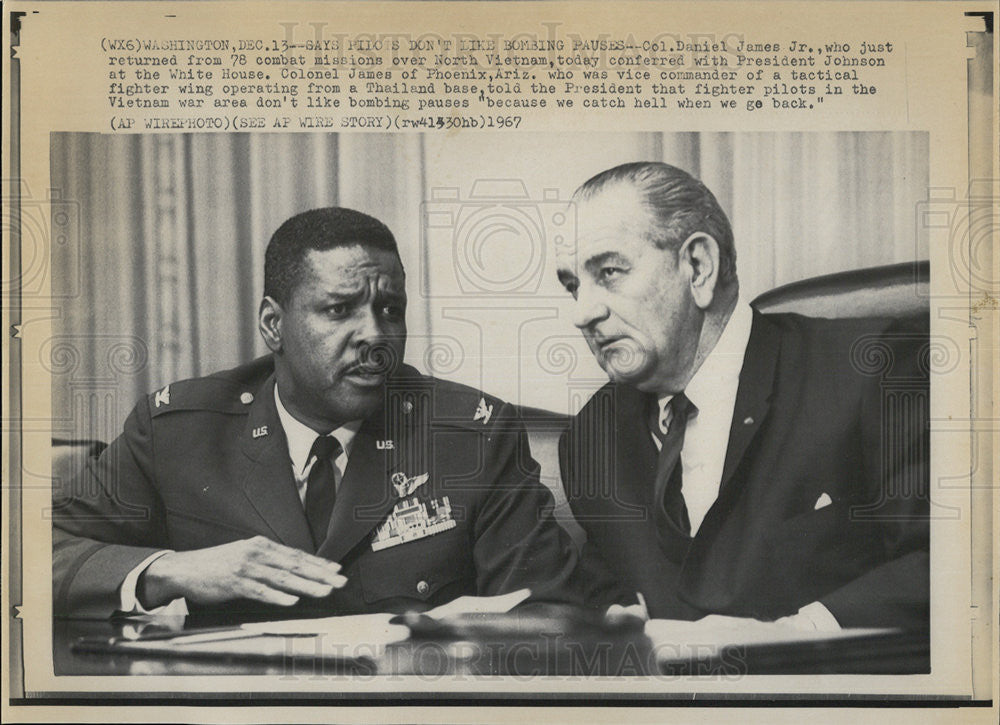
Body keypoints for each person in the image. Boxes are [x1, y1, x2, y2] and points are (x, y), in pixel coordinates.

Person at [53, 207, 619, 620]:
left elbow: (546, 610)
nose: (374, 335)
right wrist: (171, 571)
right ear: (274, 324)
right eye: (339, 310)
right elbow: (42, 555)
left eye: (389, 309)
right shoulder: (179, 430)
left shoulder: (471, 433)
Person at [556, 162, 929, 630]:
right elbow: (606, 582)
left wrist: (800, 634)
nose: (581, 313)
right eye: (572, 286)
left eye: (608, 272)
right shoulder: (591, 435)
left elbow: (950, 565)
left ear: (698, 267)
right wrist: (614, 617)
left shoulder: (870, 369)